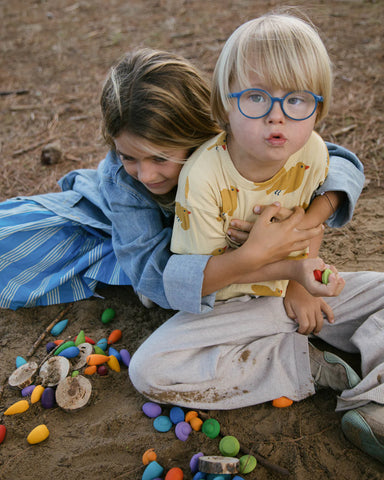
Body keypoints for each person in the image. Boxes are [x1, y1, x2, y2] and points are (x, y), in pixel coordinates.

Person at [127, 22, 384, 465]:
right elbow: (203, 279)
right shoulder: (203, 176)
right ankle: (308, 365)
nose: (277, 115)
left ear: (317, 111)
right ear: (225, 104)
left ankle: (376, 404)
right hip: (230, 307)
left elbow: (307, 226)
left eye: (297, 99)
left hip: (294, 293)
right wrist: (288, 272)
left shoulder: (314, 153)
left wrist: (300, 284)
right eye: (256, 97)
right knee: (150, 368)